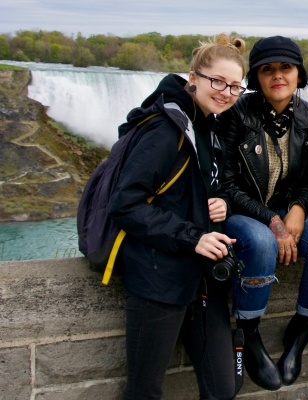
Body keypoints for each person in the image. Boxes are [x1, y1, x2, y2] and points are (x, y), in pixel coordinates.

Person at [108, 34, 246, 400]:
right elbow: (126, 204)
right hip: (159, 278)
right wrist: (193, 236)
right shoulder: (164, 128)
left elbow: (192, 190)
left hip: (202, 278)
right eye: (217, 81)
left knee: (223, 389)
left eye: (235, 86)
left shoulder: (209, 125)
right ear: (193, 78)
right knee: (144, 390)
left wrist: (219, 205)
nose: (226, 92)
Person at [214, 36, 308, 391]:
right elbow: (226, 184)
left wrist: (299, 210)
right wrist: (272, 220)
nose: (277, 76)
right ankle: (248, 331)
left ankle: (303, 330)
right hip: (243, 212)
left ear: (298, 73)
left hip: (287, 210)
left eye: (285, 68)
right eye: (267, 69)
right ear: (255, 77)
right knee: (261, 243)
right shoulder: (235, 113)